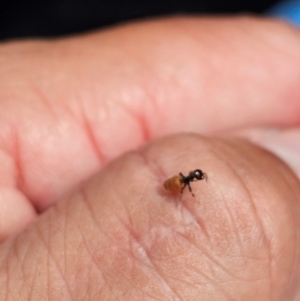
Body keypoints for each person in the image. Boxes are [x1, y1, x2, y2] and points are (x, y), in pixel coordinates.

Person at [0, 15, 299, 300]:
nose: (197, 179)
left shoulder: (183, 181)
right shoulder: (181, 184)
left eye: (197, 177)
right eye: (198, 176)